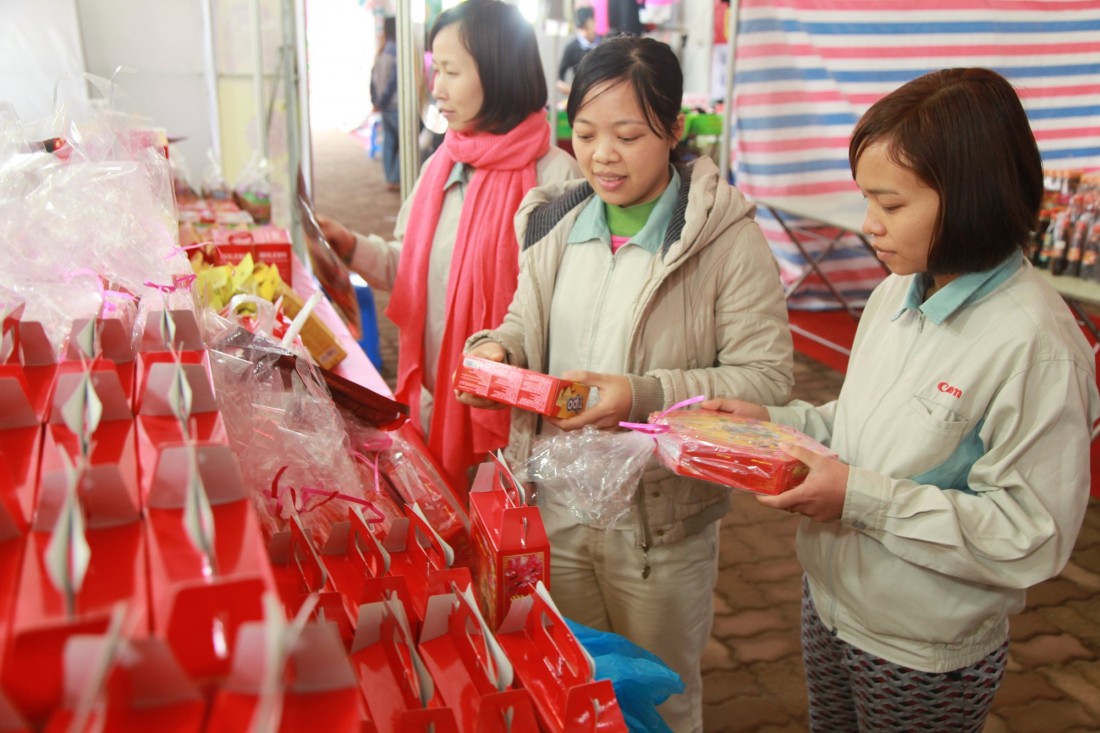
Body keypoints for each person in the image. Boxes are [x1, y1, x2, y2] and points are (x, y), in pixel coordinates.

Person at [703, 68, 1100, 732]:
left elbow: (1029, 534)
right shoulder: (897, 293)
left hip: (921, 646)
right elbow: (859, 425)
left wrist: (856, 496)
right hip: (830, 599)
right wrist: (771, 422)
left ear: (971, 198)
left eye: (890, 205)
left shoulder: (1035, 343)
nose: (868, 226)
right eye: (866, 200)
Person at [457, 36, 794, 733]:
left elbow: (767, 377)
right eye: (584, 133)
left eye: (628, 134)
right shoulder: (553, 223)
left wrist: (638, 393)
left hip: (658, 524)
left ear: (673, 131)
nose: (601, 154)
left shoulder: (722, 239)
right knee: (574, 678)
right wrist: (497, 351)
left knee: (661, 694)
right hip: (557, 502)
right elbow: (526, 321)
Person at [319, 0, 580, 489]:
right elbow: (410, 272)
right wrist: (350, 245)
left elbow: (561, 319)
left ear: (499, 71)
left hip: (515, 427)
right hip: (439, 401)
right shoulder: (444, 163)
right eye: (433, 70)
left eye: (450, 71)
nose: (435, 88)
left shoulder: (555, 179)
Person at [370, 16, 400, 191]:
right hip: (394, 105)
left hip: (384, 106)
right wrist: (383, 99)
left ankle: (390, 176)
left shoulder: (381, 52)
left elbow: (372, 80)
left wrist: (376, 100)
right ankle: (395, 177)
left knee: (388, 142)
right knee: (407, 142)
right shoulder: (397, 52)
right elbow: (393, 81)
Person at [556, 6, 599, 96]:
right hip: (581, 95)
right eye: (581, 28)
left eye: (587, 27)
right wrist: (572, 92)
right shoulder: (571, 48)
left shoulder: (605, 43)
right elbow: (560, 79)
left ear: (593, 22)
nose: (584, 32)